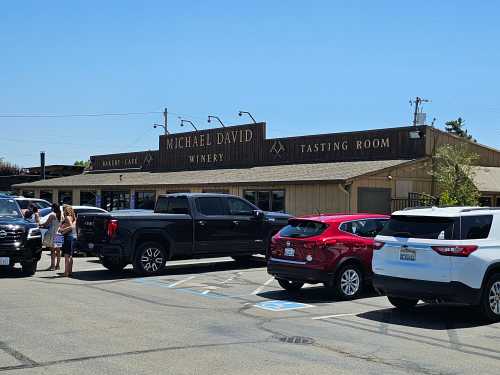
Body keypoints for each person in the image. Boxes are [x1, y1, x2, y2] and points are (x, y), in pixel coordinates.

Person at [39, 203, 61, 271]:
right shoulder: (61, 215)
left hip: (52, 233)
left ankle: (52, 266)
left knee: (52, 251)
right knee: (58, 251)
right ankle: (57, 265)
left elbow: (46, 223)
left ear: (53, 208)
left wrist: (39, 224)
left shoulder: (52, 215)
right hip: (59, 233)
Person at [60, 205, 77, 277]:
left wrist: (62, 230)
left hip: (67, 237)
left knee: (66, 255)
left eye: (64, 209)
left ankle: (66, 272)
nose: (63, 211)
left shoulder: (67, 217)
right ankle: (70, 271)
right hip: (70, 237)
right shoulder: (73, 217)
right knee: (70, 255)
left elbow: (71, 227)